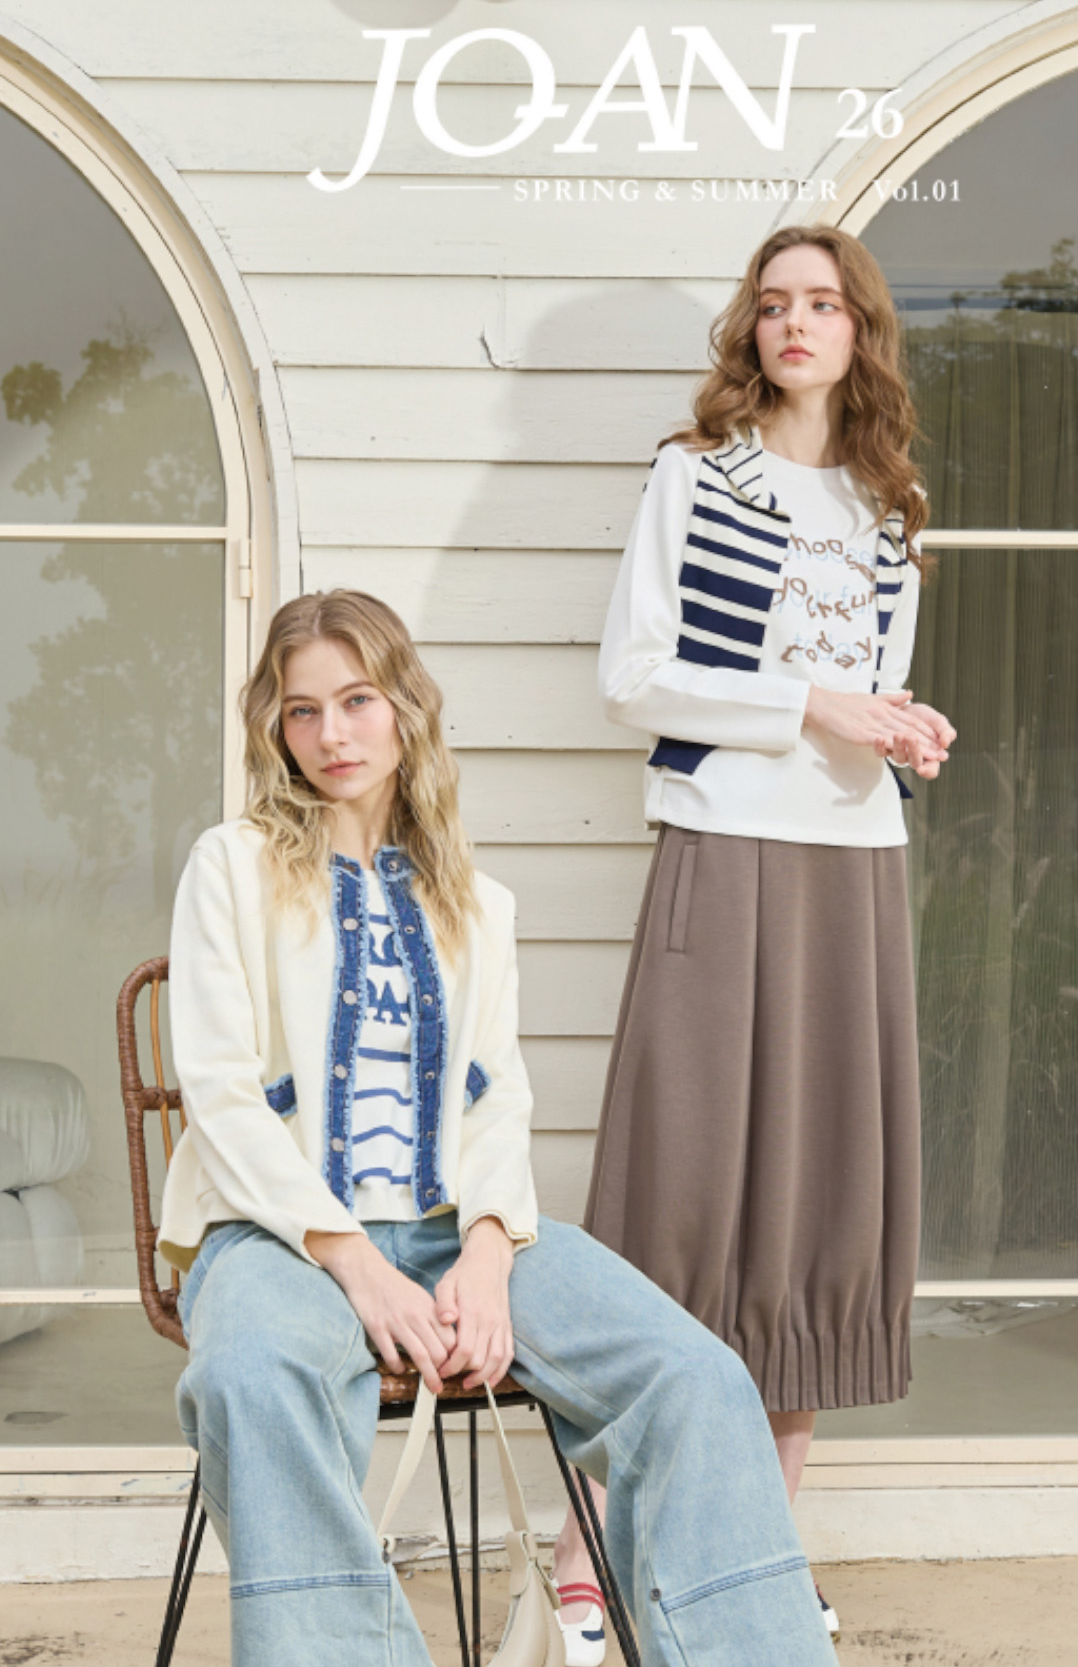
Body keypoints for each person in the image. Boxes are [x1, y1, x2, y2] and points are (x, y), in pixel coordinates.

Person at [157, 588, 837, 1667]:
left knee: (695, 1376)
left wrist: (485, 1252)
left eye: (357, 700)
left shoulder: (477, 900)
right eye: (301, 711)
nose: (331, 734)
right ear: (274, 729)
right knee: (253, 1377)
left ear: (405, 707)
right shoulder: (228, 867)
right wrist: (356, 1266)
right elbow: (221, 1093)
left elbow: (494, 1099)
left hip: (453, 1230)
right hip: (274, 1234)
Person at [552, 225, 956, 1663]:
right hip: (723, 847)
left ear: (859, 332)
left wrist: (900, 726)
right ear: (752, 329)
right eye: (774, 303)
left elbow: (867, 692)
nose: (796, 322)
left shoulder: (893, 505)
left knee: (816, 1206)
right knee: (677, 1196)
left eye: (823, 303)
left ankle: (757, 1567)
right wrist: (812, 707)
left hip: (853, 864)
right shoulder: (695, 475)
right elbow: (633, 677)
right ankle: (590, 1558)